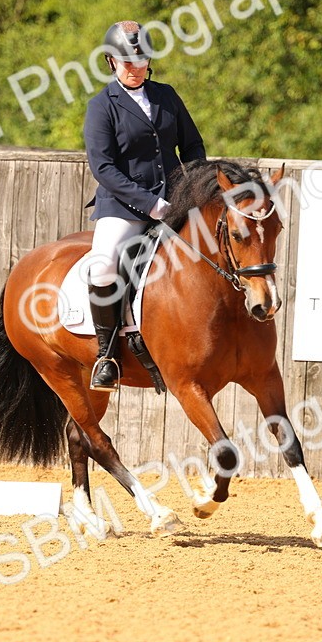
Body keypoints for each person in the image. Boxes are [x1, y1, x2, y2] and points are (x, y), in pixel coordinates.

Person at [82, 20, 207, 391]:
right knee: (103, 267)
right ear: (111, 63)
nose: (135, 67)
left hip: (175, 199)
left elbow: (194, 147)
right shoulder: (102, 106)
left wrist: (190, 189)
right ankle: (107, 355)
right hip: (123, 207)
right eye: (126, 62)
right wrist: (151, 204)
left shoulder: (167, 95)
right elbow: (103, 167)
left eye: (141, 60)